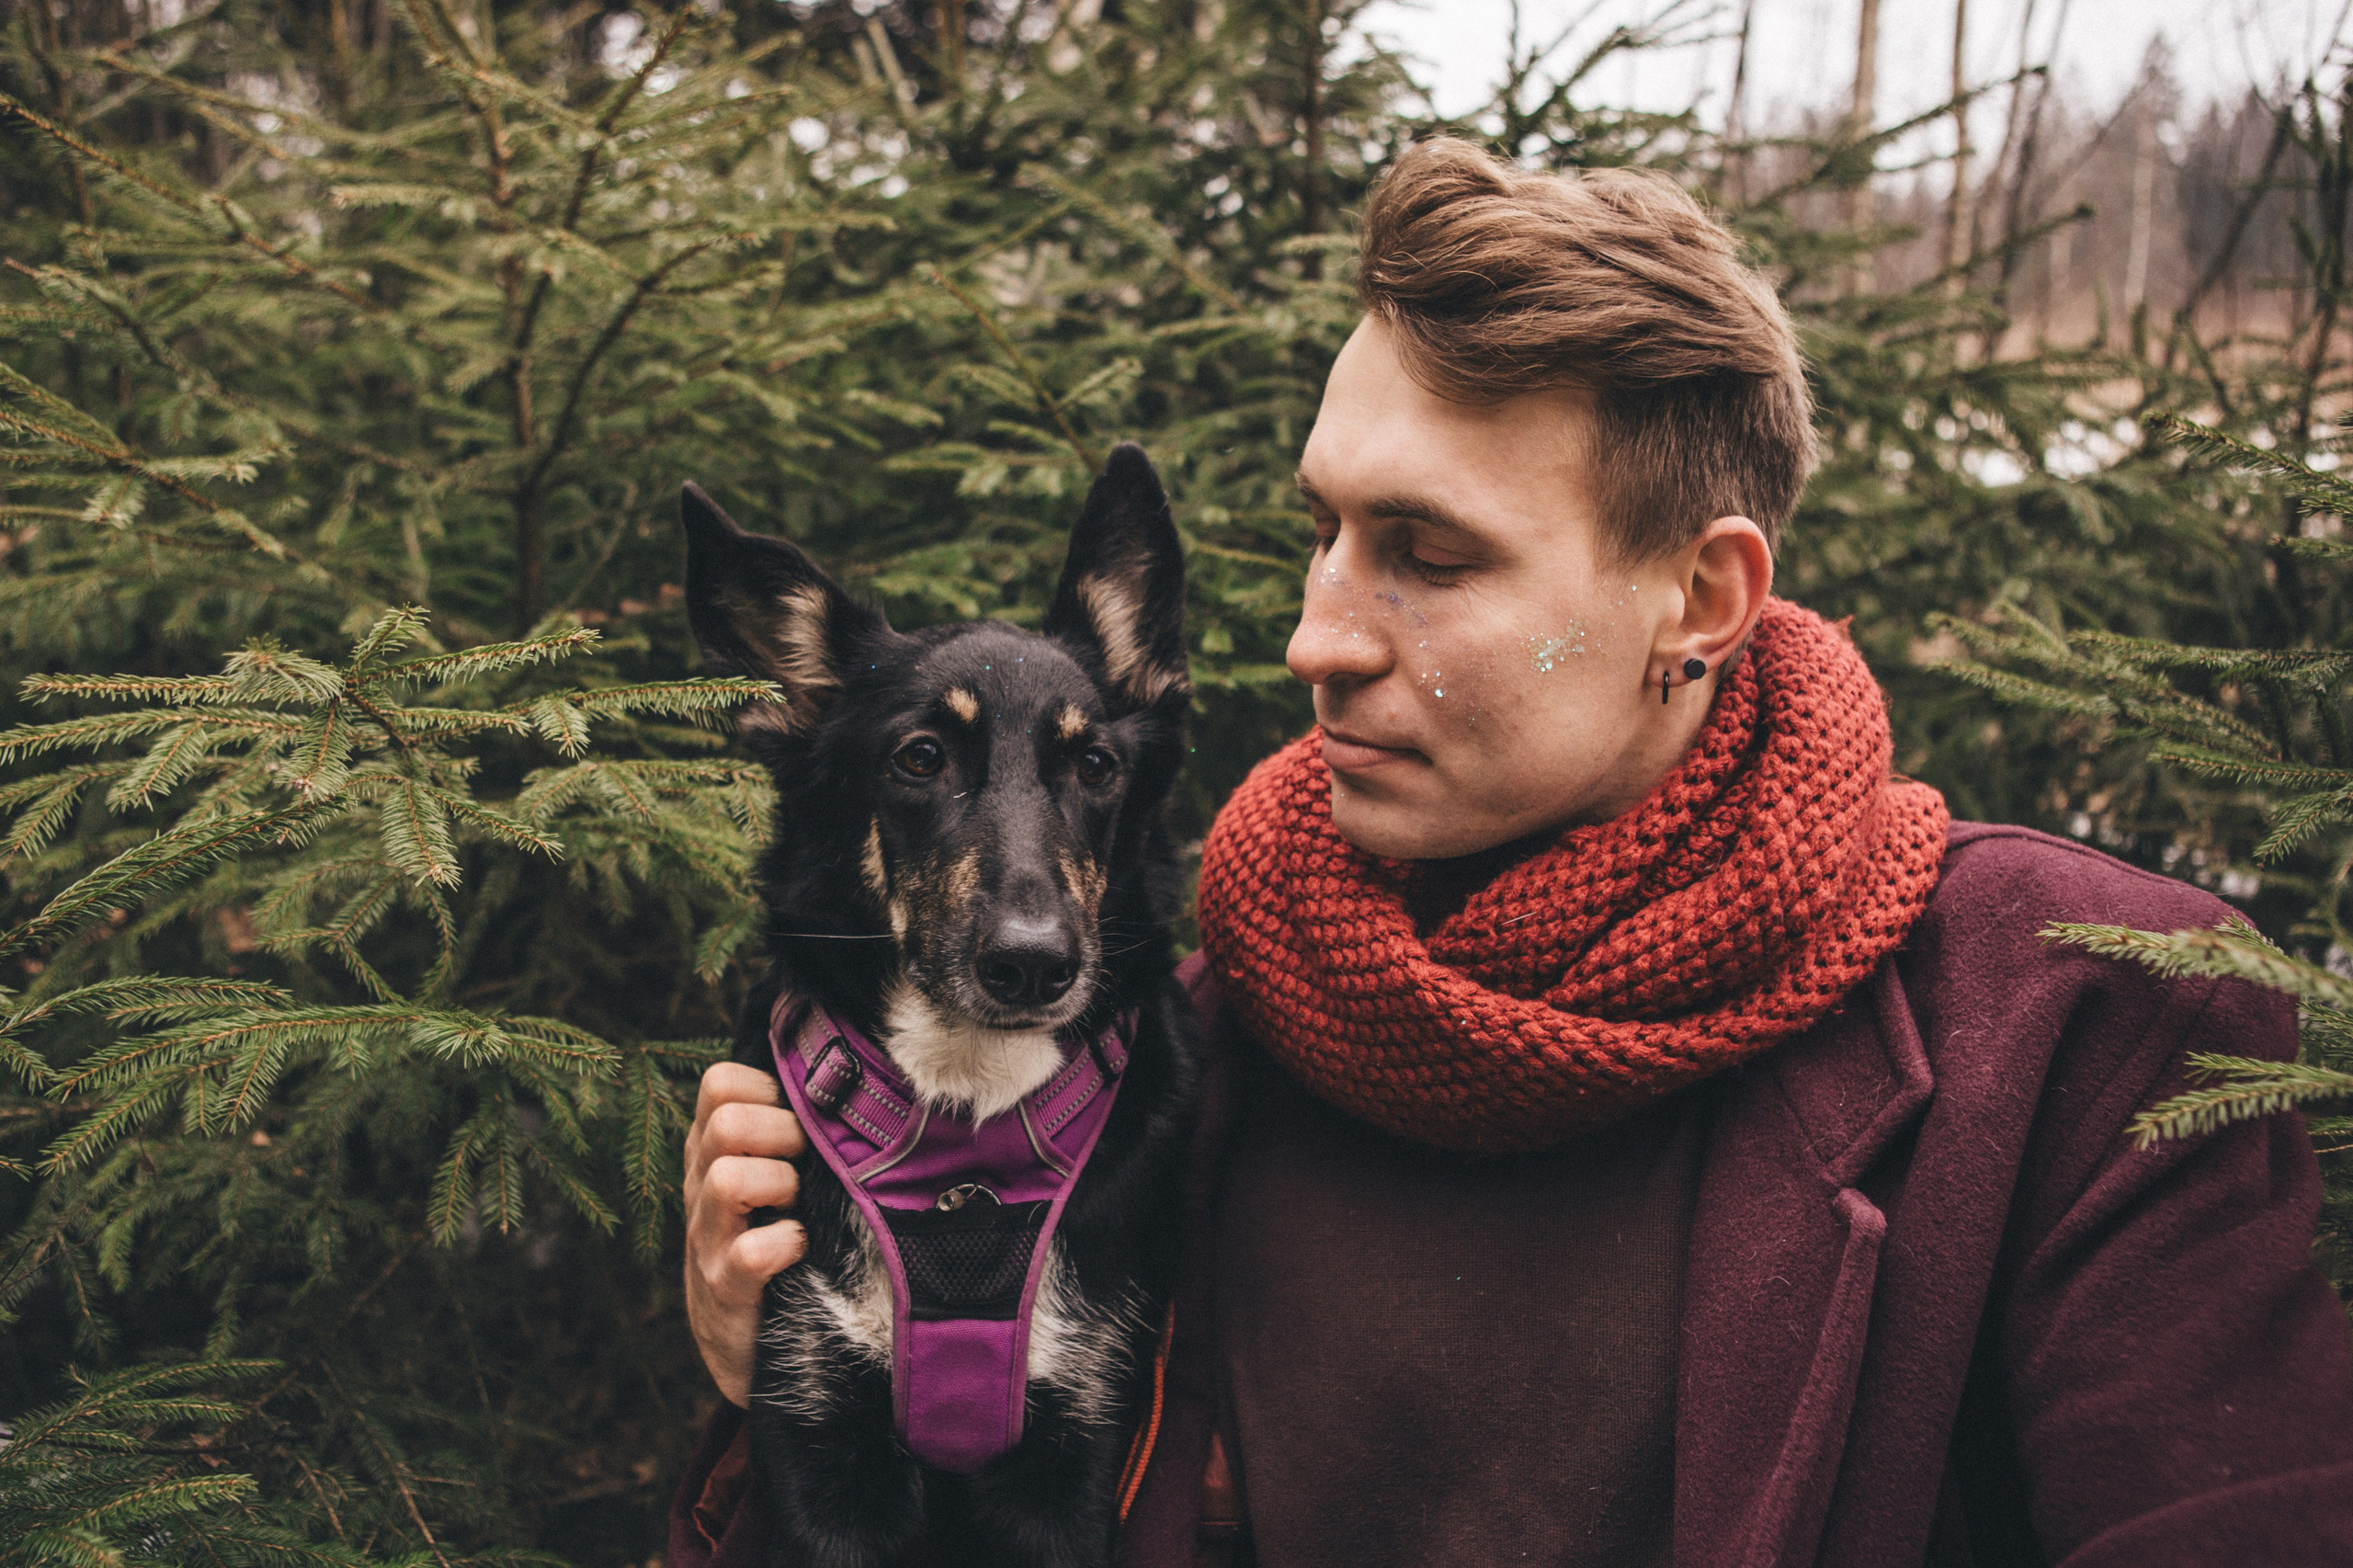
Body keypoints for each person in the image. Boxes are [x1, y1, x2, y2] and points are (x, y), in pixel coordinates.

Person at [669, 139, 2353, 1567]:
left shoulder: (2081, 1012)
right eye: (1326, 529)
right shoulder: (1195, 1034)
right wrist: (770, 1394)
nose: (1316, 636)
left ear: (1694, 601)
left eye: (1426, 554)